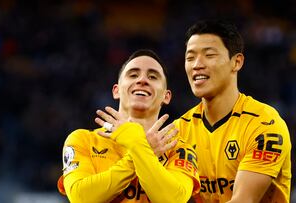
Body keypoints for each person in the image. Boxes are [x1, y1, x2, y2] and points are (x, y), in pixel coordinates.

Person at [57, 49, 200, 202]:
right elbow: (81, 198)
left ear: (166, 96)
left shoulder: (179, 149)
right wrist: (142, 150)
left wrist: (136, 144)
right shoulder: (83, 139)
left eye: (153, 77)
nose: (142, 80)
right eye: (133, 75)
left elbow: (173, 200)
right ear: (116, 91)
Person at [173, 20, 292, 202]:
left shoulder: (264, 125)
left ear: (236, 62)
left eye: (209, 55)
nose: (197, 64)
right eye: (190, 58)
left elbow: (243, 200)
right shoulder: (179, 131)